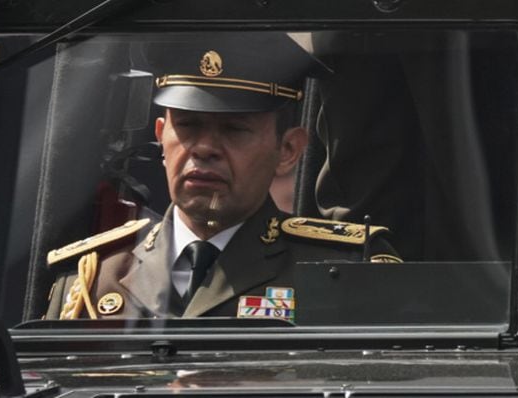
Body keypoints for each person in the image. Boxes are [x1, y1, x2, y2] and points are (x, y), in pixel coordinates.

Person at [42, 36, 394, 322]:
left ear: (288, 149)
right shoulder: (93, 276)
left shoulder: (341, 271)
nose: (205, 148)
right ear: (162, 136)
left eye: (235, 130)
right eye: (188, 125)